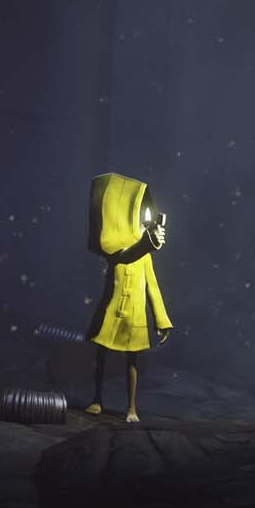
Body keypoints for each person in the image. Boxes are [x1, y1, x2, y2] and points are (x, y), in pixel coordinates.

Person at [82, 173, 173, 423]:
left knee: (131, 361)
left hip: (134, 316)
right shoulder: (116, 249)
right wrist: (147, 244)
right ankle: (97, 398)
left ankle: (131, 407)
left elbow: (153, 287)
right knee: (101, 354)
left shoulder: (145, 256)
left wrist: (161, 320)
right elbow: (124, 256)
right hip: (111, 311)